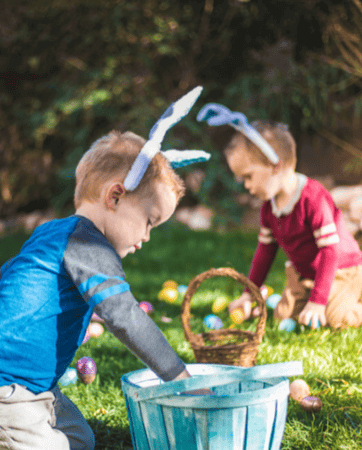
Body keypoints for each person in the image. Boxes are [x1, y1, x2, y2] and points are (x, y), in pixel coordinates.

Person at [0, 87, 212, 450]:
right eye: (149, 220)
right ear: (115, 196)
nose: (147, 236)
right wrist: (179, 377)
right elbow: (126, 317)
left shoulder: (56, 232)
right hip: (9, 387)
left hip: (36, 387)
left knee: (81, 440)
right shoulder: (87, 244)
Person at [197, 103, 362, 331]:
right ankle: (315, 297)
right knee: (283, 316)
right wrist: (249, 295)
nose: (247, 186)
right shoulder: (269, 208)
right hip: (304, 274)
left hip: (341, 270)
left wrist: (317, 301)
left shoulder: (313, 198)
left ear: (275, 166)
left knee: (337, 319)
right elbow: (264, 253)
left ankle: (351, 298)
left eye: (248, 176)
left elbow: (330, 251)